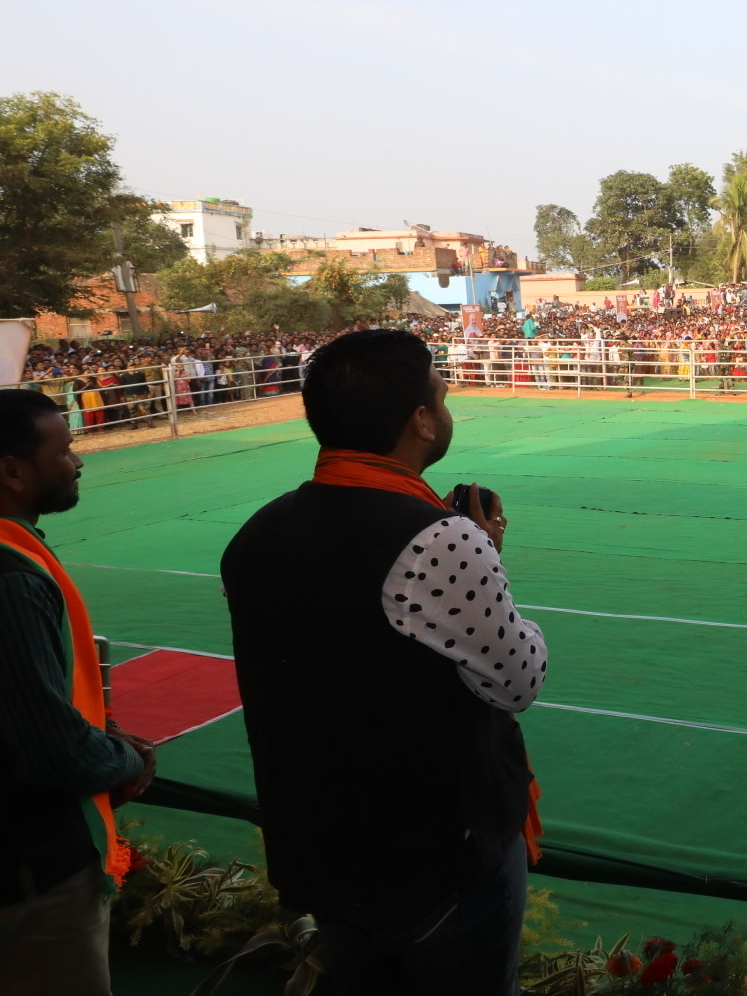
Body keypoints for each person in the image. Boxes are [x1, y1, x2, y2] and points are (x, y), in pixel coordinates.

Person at [221, 330, 544, 996]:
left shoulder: (256, 532)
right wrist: (485, 559)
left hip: (322, 852)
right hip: (433, 861)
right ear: (421, 422)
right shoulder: (438, 538)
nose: (447, 408)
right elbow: (517, 677)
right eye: (441, 397)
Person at [0, 389, 156, 996]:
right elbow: (51, 748)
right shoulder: (12, 581)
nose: (79, 462)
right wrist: (124, 757)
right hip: (30, 869)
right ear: (11, 471)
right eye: (64, 451)